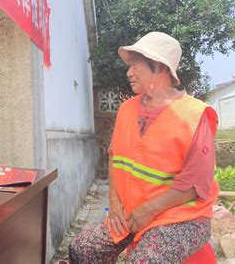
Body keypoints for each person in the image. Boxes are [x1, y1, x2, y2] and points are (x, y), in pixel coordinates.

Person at [69, 32, 219, 263]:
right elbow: (114, 156)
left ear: (159, 67)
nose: (128, 72)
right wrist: (115, 202)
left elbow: (195, 185)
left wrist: (147, 211)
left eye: (134, 65)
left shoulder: (194, 115)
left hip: (182, 216)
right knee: (82, 249)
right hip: (132, 212)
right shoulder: (126, 109)